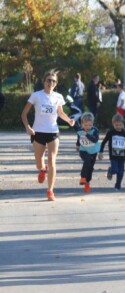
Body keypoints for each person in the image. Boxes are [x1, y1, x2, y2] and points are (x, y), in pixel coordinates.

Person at [21, 70, 75, 201]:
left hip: (53, 132)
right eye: (49, 80)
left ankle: (50, 190)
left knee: (52, 161)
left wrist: (69, 120)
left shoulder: (58, 97)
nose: (51, 83)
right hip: (37, 132)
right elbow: (23, 114)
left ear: (56, 83)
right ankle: (42, 170)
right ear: (44, 82)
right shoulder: (36, 96)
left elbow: (60, 113)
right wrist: (28, 127)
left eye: (54, 81)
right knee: (39, 163)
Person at [98, 114, 125, 191]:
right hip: (113, 156)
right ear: (113, 124)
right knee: (115, 170)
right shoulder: (111, 133)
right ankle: (110, 170)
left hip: (122, 156)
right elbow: (103, 142)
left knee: (121, 173)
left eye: (120, 125)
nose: (118, 126)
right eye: (116, 125)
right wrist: (101, 152)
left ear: (123, 124)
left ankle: (118, 185)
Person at [75, 112, 100, 193]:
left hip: (93, 151)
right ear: (82, 124)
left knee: (90, 167)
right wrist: (77, 145)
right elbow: (79, 138)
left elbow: (95, 139)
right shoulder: (79, 130)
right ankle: (83, 177)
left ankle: (87, 182)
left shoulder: (95, 130)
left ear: (92, 123)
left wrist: (87, 134)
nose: (88, 127)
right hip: (83, 150)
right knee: (87, 160)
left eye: (90, 125)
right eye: (85, 125)